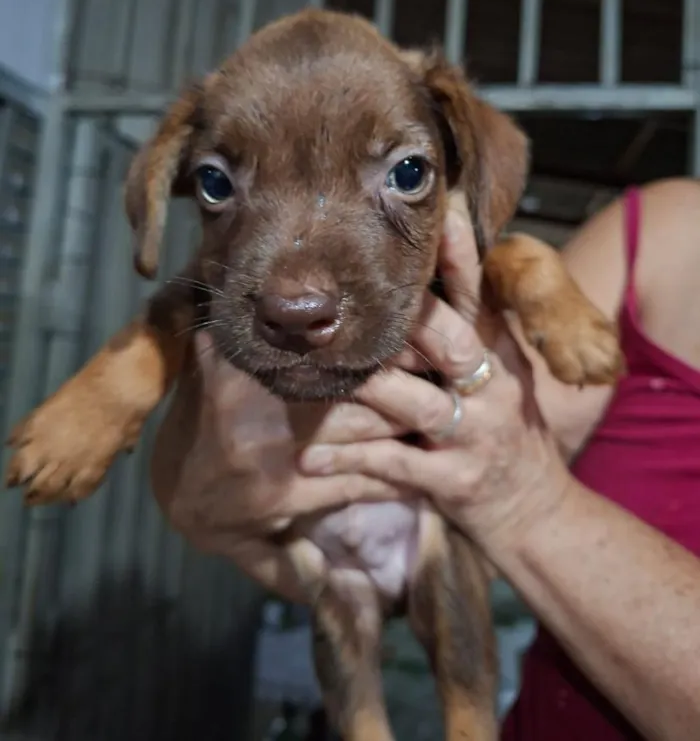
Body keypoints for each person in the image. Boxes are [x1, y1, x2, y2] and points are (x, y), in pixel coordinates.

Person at [151, 177, 700, 741]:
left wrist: (528, 504)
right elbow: (497, 414)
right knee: (351, 655)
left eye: (407, 175)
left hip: (444, 616)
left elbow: (493, 491)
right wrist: (191, 498)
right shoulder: (662, 231)